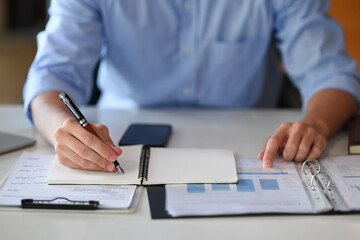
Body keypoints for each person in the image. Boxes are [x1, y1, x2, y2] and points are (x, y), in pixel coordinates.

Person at [23, 0, 360, 172]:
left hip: (251, 151)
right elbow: (53, 75)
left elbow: (333, 75)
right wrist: (60, 130)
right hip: (122, 146)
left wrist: (315, 123)